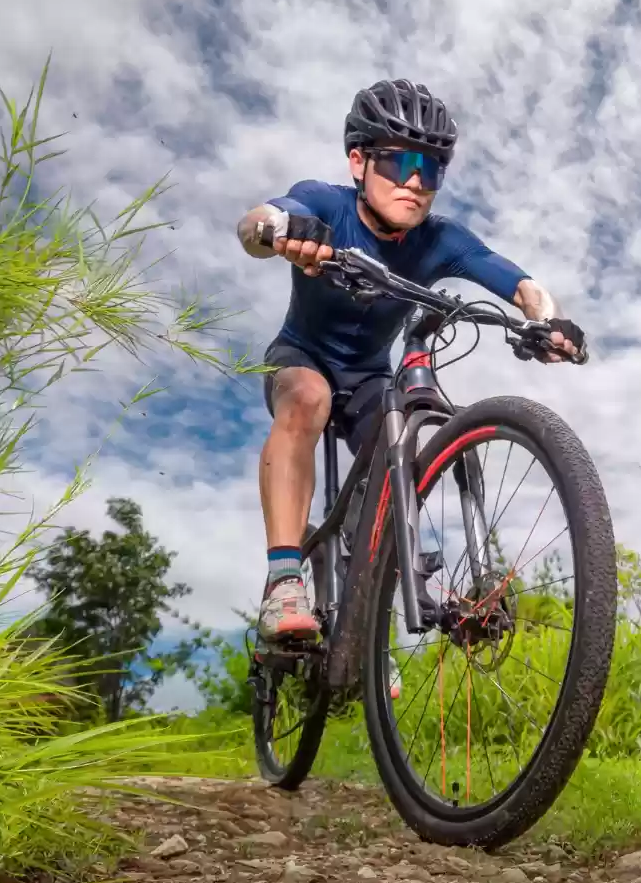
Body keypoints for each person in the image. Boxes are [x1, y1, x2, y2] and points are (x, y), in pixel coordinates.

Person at [235, 78, 586, 645]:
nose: (417, 182)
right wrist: (282, 232)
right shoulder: (323, 202)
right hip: (302, 357)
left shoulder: (440, 240)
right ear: (358, 161)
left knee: (403, 449)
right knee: (308, 399)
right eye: (399, 163)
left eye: (432, 169)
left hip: (371, 377)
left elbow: (519, 283)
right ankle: (283, 581)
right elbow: (258, 221)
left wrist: (547, 322)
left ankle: (365, 623)